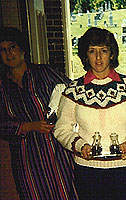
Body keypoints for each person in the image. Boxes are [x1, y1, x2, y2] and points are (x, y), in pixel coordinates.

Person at [54, 27, 126, 200]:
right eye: (92, 51)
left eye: (104, 51)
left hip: (123, 169)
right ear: (85, 55)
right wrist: (79, 146)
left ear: (112, 54)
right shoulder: (73, 90)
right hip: (87, 170)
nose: (98, 57)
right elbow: (61, 129)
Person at [0, 27, 78, 199]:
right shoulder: (3, 87)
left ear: (22, 49)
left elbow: (73, 93)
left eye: (12, 47)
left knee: (67, 193)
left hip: (57, 153)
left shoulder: (44, 73)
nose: (9, 53)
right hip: (27, 160)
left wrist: (62, 118)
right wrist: (28, 126)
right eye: (3, 50)